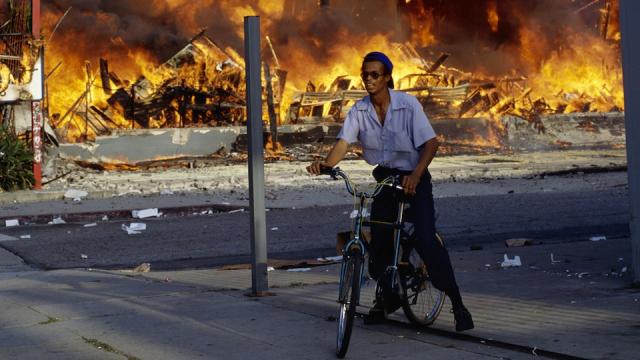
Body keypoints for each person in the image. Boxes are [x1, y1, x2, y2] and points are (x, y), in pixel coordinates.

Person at [307, 51, 474, 332]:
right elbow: (343, 144)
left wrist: (416, 175)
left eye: (375, 75)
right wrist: (325, 164)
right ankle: (386, 298)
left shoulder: (407, 105)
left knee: (425, 239)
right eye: (365, 75)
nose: (368, 80)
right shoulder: (359, 110)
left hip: (415, 176)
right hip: (385, 178)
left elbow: (431, 144)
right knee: (379, 242)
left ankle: (458, 304)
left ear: (387, 78)